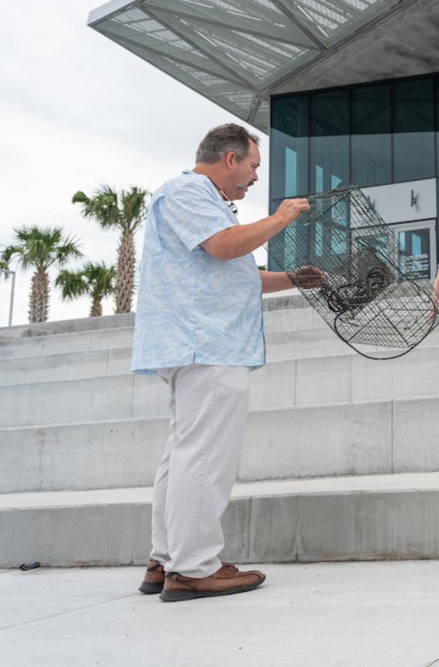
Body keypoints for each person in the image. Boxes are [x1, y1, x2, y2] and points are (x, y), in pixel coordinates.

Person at [132, 123, 323, 602]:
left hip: (199, 345)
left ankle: (166, 558)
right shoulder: (189, 191)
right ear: (230, 159)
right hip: (208, 345)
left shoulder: (207, 205)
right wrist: (281, 218)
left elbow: (237, 272)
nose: (255, 178)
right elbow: (224, 246)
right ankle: (194, 567)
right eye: (254, 166)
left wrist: (294, 279)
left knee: (183, 453)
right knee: (204, 456)